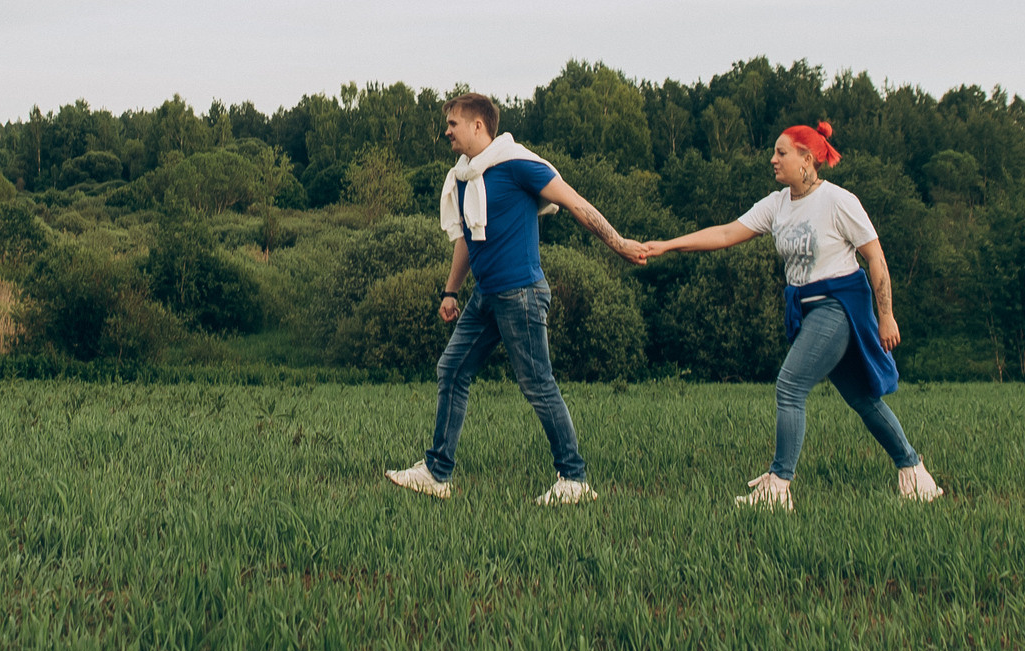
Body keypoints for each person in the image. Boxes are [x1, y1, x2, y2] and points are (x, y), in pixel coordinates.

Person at [639, 122, 944, 509]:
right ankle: (915, 473)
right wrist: (667, 245)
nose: (773, 159)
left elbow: (876, 259)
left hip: (839, 306)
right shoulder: (777, 204)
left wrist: (887, 316)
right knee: (862, 398)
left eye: (782, 152)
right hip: (807, 309)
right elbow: (726, 233)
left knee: (790, 386)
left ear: (807, 159)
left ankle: (778, 487)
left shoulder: (838, 201)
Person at [385, 93, 651, 506]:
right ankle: (437, 472)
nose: (447, 131)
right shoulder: (462, 177)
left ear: (478, 126)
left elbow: (575, 203)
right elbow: (467, 239)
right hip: (486, 295)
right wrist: (450, 290)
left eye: (453, 123)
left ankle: (574, 479)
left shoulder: (518, 165)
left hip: (522, 294)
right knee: (451, 369)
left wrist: (618, 244)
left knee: (537, 384)